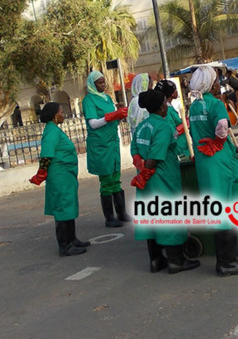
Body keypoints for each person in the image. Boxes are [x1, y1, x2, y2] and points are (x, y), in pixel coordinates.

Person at [188, 66, 238, 277]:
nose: (218, 83)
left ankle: (223, 261)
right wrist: (218, 142)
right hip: (220, 162)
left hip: (205, 165)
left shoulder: (194, 107)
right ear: (209, 84)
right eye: (216, 80)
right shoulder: (216, 104)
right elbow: (223, 126)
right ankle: (228, 263)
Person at [130, 89, 200, 274]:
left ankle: (156, 260)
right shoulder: (163, 127)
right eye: (164, 103)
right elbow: (156, 156)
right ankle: (176, 261)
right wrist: (146, 171)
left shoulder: (142, 126)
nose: (165, 106)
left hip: (145, 183)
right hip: (161, 178)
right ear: (161, 107)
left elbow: (135, 150)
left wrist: (140, 171)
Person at [29, 102, 90, 257]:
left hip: (66, 176)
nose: (64, 114)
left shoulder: (55, 130)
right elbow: (46, 154)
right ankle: (65, 245)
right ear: (56, 116)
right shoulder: (51, 132)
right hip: (59, 177)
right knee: (62, 209)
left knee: (68, 206)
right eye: (62, 112)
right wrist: (41, 174)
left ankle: (72, 239)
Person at [82, 70, 131, 228]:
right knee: (106, 180)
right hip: (100, 144)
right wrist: (111, 116)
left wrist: (118, 116)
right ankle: (109, 217)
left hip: (112, 142)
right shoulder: (89, 100)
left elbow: (111, 120)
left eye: (104, 82)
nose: (103, 85)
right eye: (100, 83)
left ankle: (121, 212)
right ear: (92, 84)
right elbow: (93, 123)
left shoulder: (108, 98)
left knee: (116, 178)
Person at [154, 79, 189, 157]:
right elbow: (172, 133)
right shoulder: (167, 111)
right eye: (175, 89)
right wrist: (184, 125)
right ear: (172, 94)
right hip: (178, 150)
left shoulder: (169, 109)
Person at [127, 73, 152, 137]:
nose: (151, 88)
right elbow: (139, 123)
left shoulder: (135, 100)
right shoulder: (139, 101)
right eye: (149, 85)